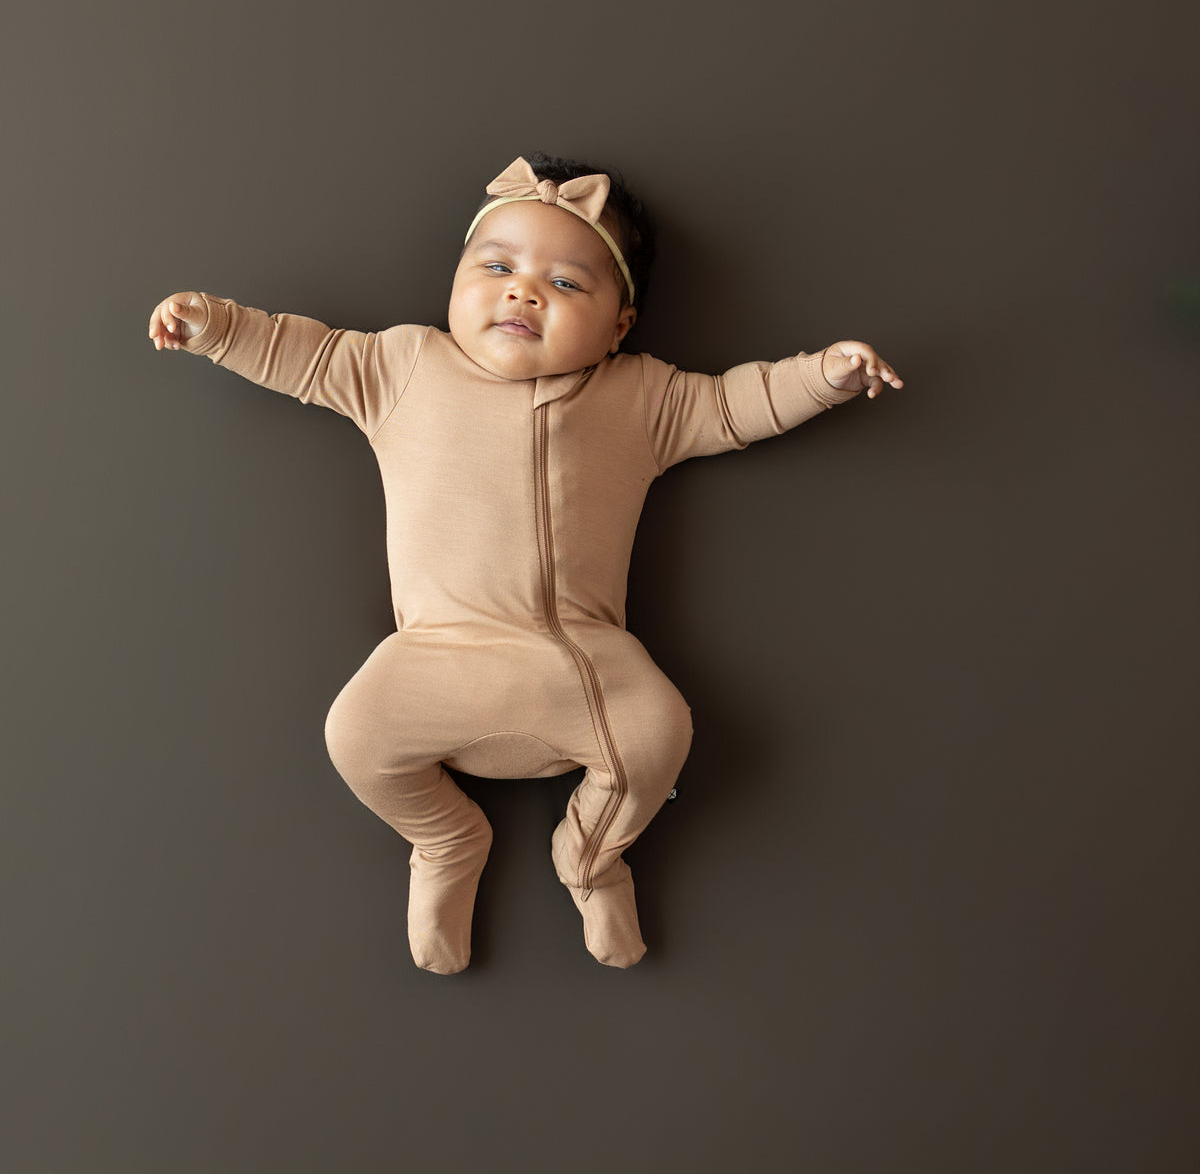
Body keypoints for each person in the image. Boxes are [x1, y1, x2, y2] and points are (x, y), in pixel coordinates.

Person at [148, 153, 903, 975]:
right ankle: (445, 838)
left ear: (620, 325)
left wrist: (825, 376)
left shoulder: (641, 396)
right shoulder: (402, 368)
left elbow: (734, 404)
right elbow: (307, 356)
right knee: (354, 734)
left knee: (660, 733)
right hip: (435, 658)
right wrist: (215, 325)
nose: (523, 291)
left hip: (586, 666)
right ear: (458, 280)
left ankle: (590, 855)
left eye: (568, 283)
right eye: (496, 266)